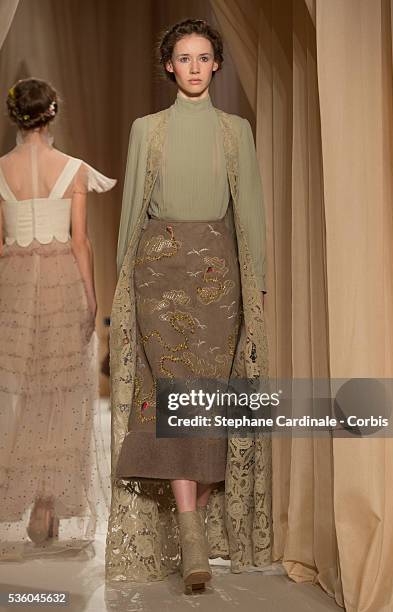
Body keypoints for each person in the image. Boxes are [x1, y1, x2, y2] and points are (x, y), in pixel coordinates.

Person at [106, 19, 268, 593]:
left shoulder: (235, 131)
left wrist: (259, 287)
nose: (195, 67)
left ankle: (191, 522)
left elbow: (249, 211)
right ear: (169, 66)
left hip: (218, 273)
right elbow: (130, 212)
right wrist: (123, 283)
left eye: (204, 57)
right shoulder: (146, 129)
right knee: (175, 396)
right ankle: (193, 531)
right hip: (158, 270)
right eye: (184, 57)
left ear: (217, 64)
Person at [0, 78, 115, 559]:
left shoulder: (1, 170)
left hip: (12, 285)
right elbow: (79, 241)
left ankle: (24, 498)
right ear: (52, 114)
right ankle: (47, 499)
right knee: (61, 390)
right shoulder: (71, 170)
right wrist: (90, 297)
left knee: (19, 393)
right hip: (61, 286)